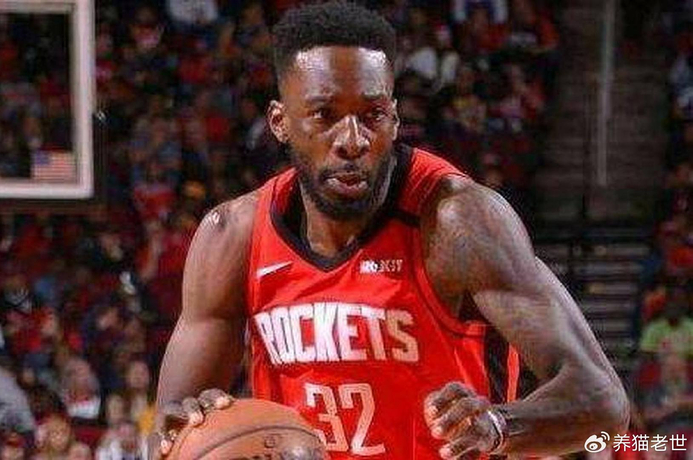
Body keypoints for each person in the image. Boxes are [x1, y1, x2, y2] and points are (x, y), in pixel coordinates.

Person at [152, 2, 629, 459]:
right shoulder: (233, 237)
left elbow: (603, 403)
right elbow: (169, 431)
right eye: (324, 115)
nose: (352, 140)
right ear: (280, 122)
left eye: (372, 115)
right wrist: (189, 428)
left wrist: (498, 425)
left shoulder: (458, 222)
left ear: (395, 118)